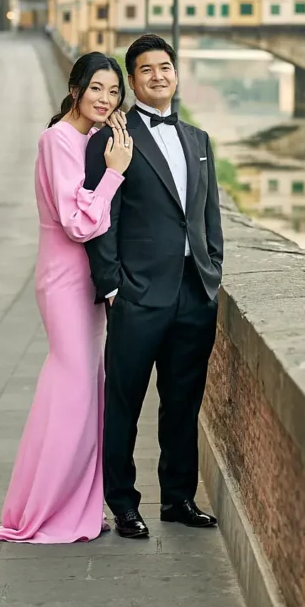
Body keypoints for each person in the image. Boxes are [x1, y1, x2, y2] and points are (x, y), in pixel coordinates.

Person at [0, 52, 133, 544]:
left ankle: (77, 509)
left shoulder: (92, 140)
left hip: (85, 279)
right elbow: (77, 222)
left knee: (87, 391)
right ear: (75, 89)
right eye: (97, 89)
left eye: (113, 92)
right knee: (71, 391)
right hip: (64, 279)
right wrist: (114, 174)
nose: (105, 99)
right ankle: (44, 511)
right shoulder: (58, 140)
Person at [83, 33, 223, 539]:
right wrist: (114, 287)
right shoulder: (112, 139)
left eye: (165, 67)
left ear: (176, 73)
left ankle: (179, 498)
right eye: (146, 70)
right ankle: (123, 504)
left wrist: (213, 275)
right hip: (138, 295)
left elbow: (208, 218)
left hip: (193, 294)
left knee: (183, 401)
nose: (158, 76)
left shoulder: (199, 141)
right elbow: (103, 218)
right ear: (132, 80)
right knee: (124, 402)